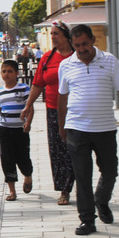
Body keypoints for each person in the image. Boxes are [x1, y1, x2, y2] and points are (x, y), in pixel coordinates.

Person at [58, 24, 119, 236]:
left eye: (85, 44)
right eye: (77, 46)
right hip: (77, 128)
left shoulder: (109, 61)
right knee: (82, 176)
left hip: (104, 128)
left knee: (110, 170)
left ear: (93, 40)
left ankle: (101, 200)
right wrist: (61, 126)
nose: (81, 49)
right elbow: (62, 98)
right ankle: (87, 220)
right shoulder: (66, 65)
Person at [20, 21, 76, 205]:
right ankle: (64, 189)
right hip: (53, 110)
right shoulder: (47, 59)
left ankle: (76, 184)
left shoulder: (77, 57)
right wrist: (28, 105)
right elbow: (38, 84)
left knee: (75, 150)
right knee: (57, 150)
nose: (52, 37)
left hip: (77, 110)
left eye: (56, 34)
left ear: (66, 36)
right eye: (51, 34)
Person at [0, 59, 33, 201]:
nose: (7, 74)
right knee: (7, 159)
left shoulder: (24, 89)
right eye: (4, 71)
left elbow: (30, 108)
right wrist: (0, 126)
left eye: (10, 71)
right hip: (5, 131)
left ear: (17, 73)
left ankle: (28, 176)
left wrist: (28, 123)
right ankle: (12, 191)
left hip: (20, 130)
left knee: (23, 157)